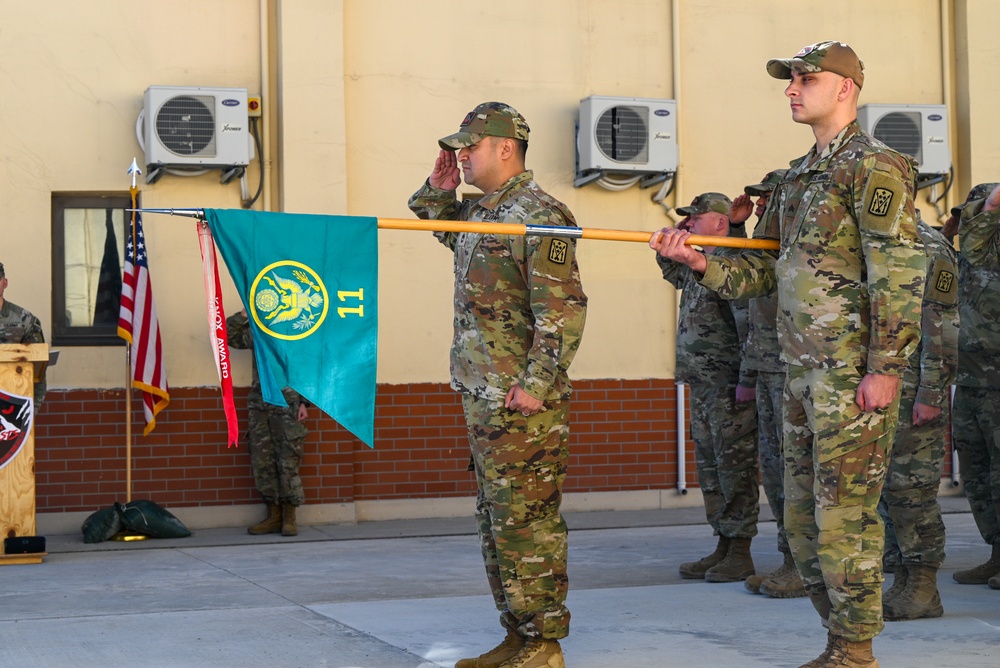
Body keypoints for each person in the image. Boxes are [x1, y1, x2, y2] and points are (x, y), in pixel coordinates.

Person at [649, 41, 924, 668]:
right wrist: (701, 263)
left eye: (806, 78)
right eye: (790, 79)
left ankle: (855, 651)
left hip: (850, 376)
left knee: (845, 519)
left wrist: (885, 368)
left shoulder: (875, 168)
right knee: (801, 522)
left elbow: (899, 274)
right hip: (797, 375)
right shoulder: (796, 179)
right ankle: (837, 643)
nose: (792, 89)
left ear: (846, 88)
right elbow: (764, 279)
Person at [408, 101, 587, 668]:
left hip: (520, 400)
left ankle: (543, 641)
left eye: (472, 145)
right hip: (484, 392)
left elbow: (563, 309)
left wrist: (536, 383)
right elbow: (439, 226)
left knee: (527, 521)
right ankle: (517, 634)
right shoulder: (483, 213)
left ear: (506, 147)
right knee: (497, 521)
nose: (461, 155)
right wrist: (437, 188)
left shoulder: (539, 214)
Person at [653, 192, 760, 584]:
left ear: (719, 223)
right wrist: (674, 240)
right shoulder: (700, 266)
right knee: (711, 467)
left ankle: (741, 549)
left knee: (735, 467)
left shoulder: (731, 267)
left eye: (696, 218)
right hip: (703, 384)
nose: (690, 223)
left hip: (729, 385)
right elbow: (671, 271)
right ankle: (723, 541)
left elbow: (749, 329)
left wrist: (747, 381)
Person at [877, 211, 959, 620]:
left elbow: (941, 325)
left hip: (914, 393)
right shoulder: (881, 239)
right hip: (883, 390)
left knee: (913, 492)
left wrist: (930, 393)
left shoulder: (929, 245)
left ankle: (924, 587)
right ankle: (903, 581)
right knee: (888, 493)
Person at [730, 170, 808, 600]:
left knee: (795, 472)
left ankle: (803, 565)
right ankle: (789, 560)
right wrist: (738, 227)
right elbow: (743, 278)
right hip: (765, 367)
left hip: (790, 368)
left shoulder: (795, 239)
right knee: (775, 472)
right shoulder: (765, 237)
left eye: (767, 198)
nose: (760, 203)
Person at [948, 182, 1000, 589]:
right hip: (968, 378)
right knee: (977, 473)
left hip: (997, 382)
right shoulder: (966, 259)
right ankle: (996, 552)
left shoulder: (990, 251)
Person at [227, 309, 309, 537]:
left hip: (288, 401)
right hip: (260, 401)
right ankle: (273, 515)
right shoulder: (260, 332)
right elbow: (226, 335)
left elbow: (308, 368)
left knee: (288, 458)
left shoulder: (298, 331)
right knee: (262, 460)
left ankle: (289, 516)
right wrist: (244, 314)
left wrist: (304, 403)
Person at [0, 261, 47, 407]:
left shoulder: (24, 320)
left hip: (12, 403)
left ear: (5, 283)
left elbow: (38, 368)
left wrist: (32, 409)